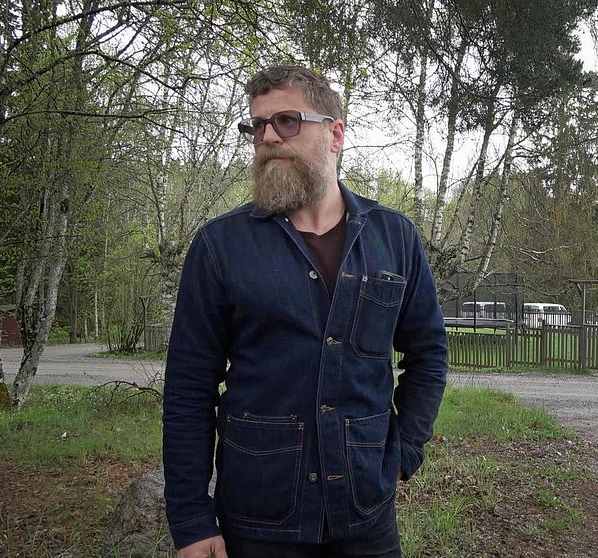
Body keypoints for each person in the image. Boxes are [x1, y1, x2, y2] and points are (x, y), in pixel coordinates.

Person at [162, 64, 448, 558]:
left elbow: (429, 354)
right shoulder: (220, 246)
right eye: (257, 125)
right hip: (259, 518)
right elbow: (189, 388)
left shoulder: (394, 238)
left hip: (365, 514)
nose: (268, 137)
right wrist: (191, 518)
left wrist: (405, 451)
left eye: (287, 122)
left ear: (334, 134)